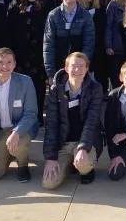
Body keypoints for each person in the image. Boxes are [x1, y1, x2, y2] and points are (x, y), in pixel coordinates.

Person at [0, 47, 39, 182]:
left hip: (22, 129)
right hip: (0, 131)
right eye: (0, 62)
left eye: (9, 62)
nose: (5, 66)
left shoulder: (26, 82)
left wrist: (16, 133)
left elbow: (31, 114)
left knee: (17, 145)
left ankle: (22, 162)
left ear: (14, 64)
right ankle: (9, 154)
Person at [42, 52, 104, 188]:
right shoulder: (55, 90)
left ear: (87, 69)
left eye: (82, 66)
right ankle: (69, 164)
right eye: (74, 66)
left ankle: (85, 170)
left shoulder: (95, 89)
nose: (78, 70)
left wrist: (83, 148)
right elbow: (51, 124)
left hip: (85, 143)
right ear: (66, 68)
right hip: (64, 144)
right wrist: (51, 157)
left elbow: (91, 122)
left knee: (84, 166)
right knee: (49, 184)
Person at [7, 0, 53, 126]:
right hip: (21, 54)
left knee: (39, 88)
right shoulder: (16, 4)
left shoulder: (47, 3)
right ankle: (23, 118)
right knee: (22, 88)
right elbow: (10, 30)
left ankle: (38, 117)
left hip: (40, 53)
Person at [43, 0, 96, 98]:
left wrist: (83, 66)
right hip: (58, 67)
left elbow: (89, 43)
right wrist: (51, 73)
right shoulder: (53, 15)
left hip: (79, 68)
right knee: (59, 101)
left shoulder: (86, 15)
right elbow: (48, 44)